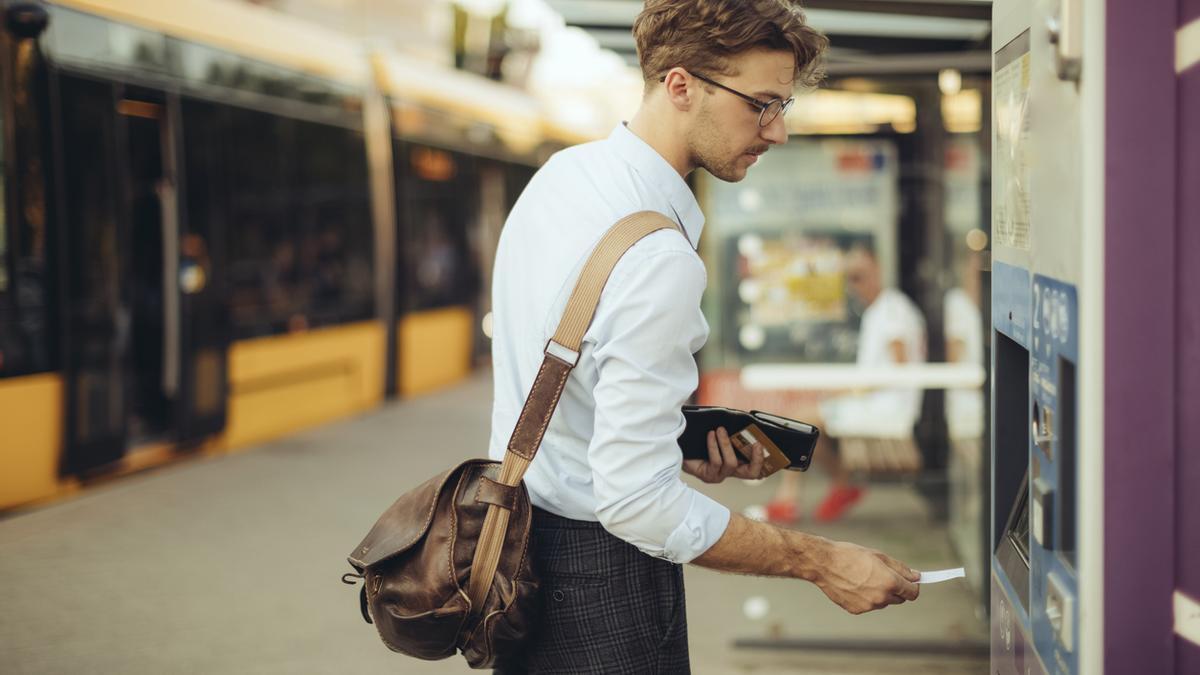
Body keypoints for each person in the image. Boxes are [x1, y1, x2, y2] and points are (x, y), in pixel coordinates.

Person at [488, 2, 920, 672]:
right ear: (681, 85)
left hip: (517, 558)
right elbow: (634, 501)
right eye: (761, 104)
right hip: (604, 588)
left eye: (783, 107)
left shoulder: (562, 180)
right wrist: (824, 560)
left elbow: (570, 388)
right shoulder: (659, 257)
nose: (775, 132)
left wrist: (674, 440)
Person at [766, 243, 927, 524]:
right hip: (876, 403)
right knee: (804, 424)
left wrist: (848, 391)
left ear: (878, 271)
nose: (855, 285)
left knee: (794, 422)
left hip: (886, 408)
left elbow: (898, 370)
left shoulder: (891, 311)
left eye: (860, 276)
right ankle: (839, 484)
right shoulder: (881, 309)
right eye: (850, 278)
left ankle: (789, 499)